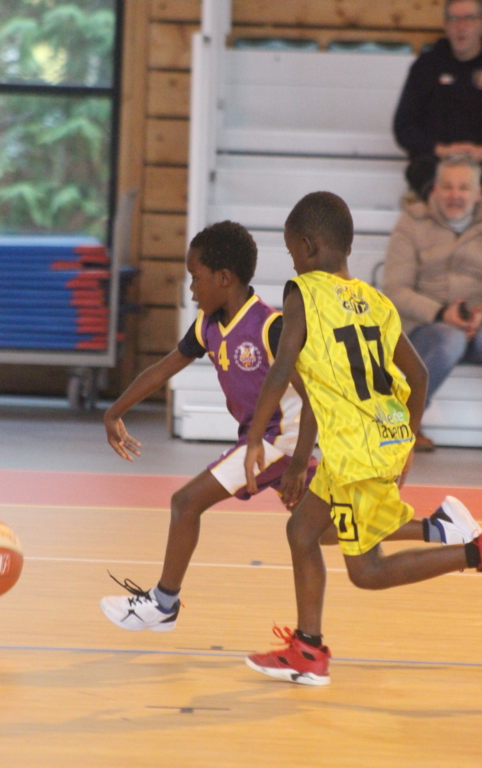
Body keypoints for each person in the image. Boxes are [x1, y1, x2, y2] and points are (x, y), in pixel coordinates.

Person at [243, 192, 482, 686]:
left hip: (357, 452)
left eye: (291, 252)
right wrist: (406, 442)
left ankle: (474, 551)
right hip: (379, 438)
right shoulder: (377, 301)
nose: (293, 262)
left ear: (307, 247)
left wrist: (253, 441)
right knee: (303, 532)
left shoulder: (304, 291)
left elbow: (282, 370)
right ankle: (307, 650)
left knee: (367, 571)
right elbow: (418, 376)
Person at [99, 220, 320, 632]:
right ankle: (437, 528)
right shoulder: (207, 325)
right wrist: (115, 411)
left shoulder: (270, 327)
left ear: (224, 278)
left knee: (185, 503)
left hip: (279, 442)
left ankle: (163, 603)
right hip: (264, 443)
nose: (191, 289)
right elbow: (163, 369)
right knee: (336, 528)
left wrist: (296, 463)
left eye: (195, 278)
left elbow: (314, 402)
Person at [383, 155, 482, 451]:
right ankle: (402, 422)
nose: (455, 195)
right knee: (449, 339)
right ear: (435, 189)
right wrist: (441, 313)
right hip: (424, 327)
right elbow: (395, 290)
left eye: (463, 187)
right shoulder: (411, 223)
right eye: (448, 186)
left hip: (476, 325)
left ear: (478, 192)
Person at [394, 0, 482, 199]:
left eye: (469, 18)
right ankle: (440, 207)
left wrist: (479, 152)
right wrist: (442, 150)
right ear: (445, 25)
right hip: (436, 164)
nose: (461, 26)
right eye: (454, 19)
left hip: (479, 162)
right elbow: (404, 127)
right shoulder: (426, 67)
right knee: (419, 170)